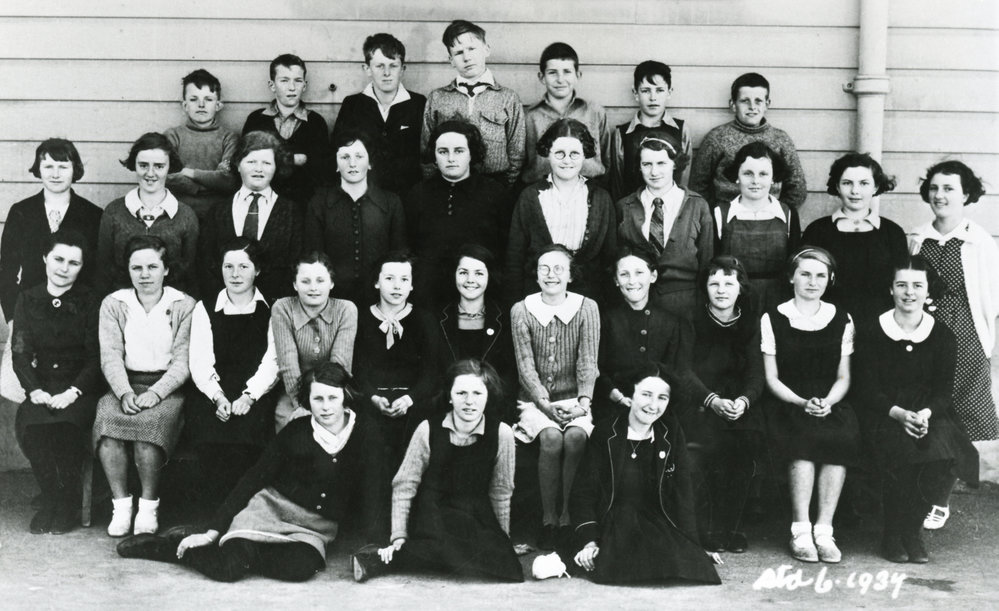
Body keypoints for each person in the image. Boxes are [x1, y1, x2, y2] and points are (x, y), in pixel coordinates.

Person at [117, 362, 384, 583]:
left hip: (312, 528)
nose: (325, 407)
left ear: (345, 396)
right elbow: (254, 478)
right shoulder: (296, 430)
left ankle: (235, 550)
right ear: (308, 400)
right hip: (270, 510)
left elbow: (375, 487)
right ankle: (168, 548)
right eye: (318, 398)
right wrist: (212, 530)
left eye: (332, 398)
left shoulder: (365, 433)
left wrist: (379, 543)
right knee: (228, 570)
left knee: (300, 568)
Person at [351, 359, 522, 583]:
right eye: (461, 393)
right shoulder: (428, 429)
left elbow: (501, 491)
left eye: (477, 393)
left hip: (475, 516)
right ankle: (385, 558)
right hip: (433, 514)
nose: (469, 401)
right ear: (449, 396)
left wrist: (503, 540)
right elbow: (404, 485)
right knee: (452, 543)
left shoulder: (502, 433)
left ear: (488, 396)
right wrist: (399, 537)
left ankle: (393, 559)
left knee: (509, 569)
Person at [854, 257, 978, 564]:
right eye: (902, 285)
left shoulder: (943, 335)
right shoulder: (872, 330)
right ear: (891, 289)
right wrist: (898, 414)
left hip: (929, 411)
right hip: (883, 410)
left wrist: (924, 414)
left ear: (927, 290)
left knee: (943, 451)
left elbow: (943, 392)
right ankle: (891, 534)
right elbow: (866, 388)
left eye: (917, 285)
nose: (909, 292)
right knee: (901, 450)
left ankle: (911, 531)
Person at [909, 160, 999, 528]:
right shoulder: (917, 238)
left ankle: (940, 498)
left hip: (966, 336)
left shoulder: (978, 241)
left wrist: (989, 347)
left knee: (959, 415)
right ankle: (920, 491)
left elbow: (992, 297)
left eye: (949, 188)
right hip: (925, 334)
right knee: (927, 409)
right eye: (934, 188)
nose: (940, 195)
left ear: (966, 195)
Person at [570, 372, 721, 585]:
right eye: (646, 394)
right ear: (630, 396)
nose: (653, 405)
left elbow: (683, 491)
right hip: (615, 517)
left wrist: (694, 545)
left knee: (689, 565)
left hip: (656, 517)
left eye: (662, 397)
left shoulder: (670, 431)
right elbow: (584, 490)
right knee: (620, 562)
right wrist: (589, 541)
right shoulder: (606, 431)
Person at [761, 247, 859, 563]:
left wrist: (828, 401)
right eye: (805, 274)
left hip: (829, 400)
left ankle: (824, 530)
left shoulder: (842, 318)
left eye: (820, 276)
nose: (812, 282)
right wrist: (802, 402)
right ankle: (800, 530)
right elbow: (772, 378)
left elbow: (844, 376)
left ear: (830, 280)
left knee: (840, 437)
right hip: (789, 400)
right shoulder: (773, 317)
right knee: (802, 437)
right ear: (792, 277)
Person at [94, 235, 196, 537]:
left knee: (148, 431)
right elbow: (110, 355)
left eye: (153, 267)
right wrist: (124, 391)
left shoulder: (183, 304)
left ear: (166, 269)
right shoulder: (114, 304)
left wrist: (157, 392)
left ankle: (149, 506)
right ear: (127, 269)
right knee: (108, 425)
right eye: (136, 267)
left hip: (167, 388)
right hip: (125, 384)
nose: (145, 274)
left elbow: (183, 360)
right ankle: (121, 506)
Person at [510, 245, 599, 550]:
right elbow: (525, 367)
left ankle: (568, 517)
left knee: (575, 438)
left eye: (559, 268)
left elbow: (588, 361)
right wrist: (544, 404)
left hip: (575, 400)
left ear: (571, 275)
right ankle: (548, 519)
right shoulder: (522, 309)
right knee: (550, 439)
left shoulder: (587, 307)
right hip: (535, 401)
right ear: (536, 275)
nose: (551, 275)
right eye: (544, 268)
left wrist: (583, 404)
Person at [12, 231, 101, 534]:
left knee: (66, 427)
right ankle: (50, 498)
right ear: (45, 259)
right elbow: (20, 352)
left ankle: (67, 504)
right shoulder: (28, 298)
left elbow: (95, 357)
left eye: (73, 263)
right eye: (58, 259)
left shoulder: (90, 300)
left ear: (82, 267)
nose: (64, 268)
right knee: (32, 426)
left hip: (80, 387)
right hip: (41, 385)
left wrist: (73, 392)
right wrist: (34, 389)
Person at [188, 239, 281, 508]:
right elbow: (200, 361)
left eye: (243, 266)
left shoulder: (272, 308)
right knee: (210, 435)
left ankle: (242, 512)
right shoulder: (205, 307)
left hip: (256, 391)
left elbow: (273, 360)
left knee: (249, 437)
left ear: (257, 270)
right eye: (228, 266)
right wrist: (218, 397)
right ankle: (213, 514)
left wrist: (249, 397)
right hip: (213, 391)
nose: (235, 274)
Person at [683, 256, 765, 553]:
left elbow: (757, 373)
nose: (721, 290)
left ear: (740, 288)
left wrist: (744, 401)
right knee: (708, 448)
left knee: (743, 447)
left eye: (729, 283)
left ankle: (733, 526)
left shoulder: (751, 323)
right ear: (704, 288)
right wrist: (712, 400)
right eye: (714, 283)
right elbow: (683, 370)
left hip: (738, 405)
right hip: (701, 402)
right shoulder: (691, 320)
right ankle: (709, 527)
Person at [505, 119, 616, 305]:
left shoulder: (601, 198)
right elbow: (515, 257)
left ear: (584, 155)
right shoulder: (530, 197)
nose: (567, 160)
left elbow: (610, 257)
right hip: (538, 298)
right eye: (559, 153)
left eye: (574, 154)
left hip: (588, 299)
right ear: (548, 154)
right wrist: (515, 305)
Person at [405, 120, 510, 306]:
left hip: (480, 294)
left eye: (459, 151)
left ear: (471, 154)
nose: (451, 158)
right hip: (428, 294)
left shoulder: (495, 193)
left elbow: (505, 250)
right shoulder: (418, 194)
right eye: (443, 151)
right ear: (434, 155)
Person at [353, 251, 440, 473]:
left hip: (413, 402)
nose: (397, 286)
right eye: (389, 278)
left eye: (404, 279)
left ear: (411, 285)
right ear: (376, 282)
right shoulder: (360, 319)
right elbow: (356, 368)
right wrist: (373, 397)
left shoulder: (424, 319)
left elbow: (431, 371)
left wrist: (409, 399)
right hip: (371, 402)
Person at [0, 138, 102, 321]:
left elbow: (99, 273)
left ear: (74, 170)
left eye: (63, 167)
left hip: (77, 317)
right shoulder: (21, 212)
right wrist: (14, 318)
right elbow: (6, 270)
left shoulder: (93, 215)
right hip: (30, 315)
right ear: (39, 169)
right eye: (48, 167)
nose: (55, 174)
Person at [801, 153, 908, 324]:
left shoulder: (893, 233)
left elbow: (902, 284)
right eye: (847, 183)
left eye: (864, 183)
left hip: (879, 325)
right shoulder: (817, 231)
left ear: (875, 187)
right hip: (828, 324)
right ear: (837, 186)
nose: (855, 191)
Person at [198, 130, 302, 302]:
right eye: (251, 161)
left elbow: (296, 265)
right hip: (225, 307)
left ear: (276, 167)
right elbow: (206, 263)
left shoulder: (292, 212)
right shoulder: (218, 211)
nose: (258, 169)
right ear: (238, 164)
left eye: (266, 163)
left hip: (276, 307)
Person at [304, 130, 406, 305]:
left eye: (359, 156)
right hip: (333, 300)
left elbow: (399, 255)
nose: (352, 163)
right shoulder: (319, 203)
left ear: (370, 163)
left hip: (379, 300)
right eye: (345, 157)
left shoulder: (391, 202)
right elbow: (314, 258)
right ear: (336, 164)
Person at [616, 136, 713, 318]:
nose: (654, 172)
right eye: (647, 164)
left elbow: (707, 261)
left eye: (661, 163)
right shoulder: (624, 207)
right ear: (639, 167)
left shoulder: (697, 205)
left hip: (685, 304)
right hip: (636, 302)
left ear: (674, 164)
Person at [421, 19, 525, 188]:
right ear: (451, 60)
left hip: (495, 185)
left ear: (486, 49)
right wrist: (437, 188)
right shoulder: (437, 98)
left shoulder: (508, 98)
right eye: (458, 53)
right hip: (448, 185)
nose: (467, 57)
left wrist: (505, 187)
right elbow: (426, 149)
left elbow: (517, 151)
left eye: (472, 49)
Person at [96, 132, 200, 296]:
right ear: (134, 165)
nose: (150, 173)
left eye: (159, 166)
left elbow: (191, 273)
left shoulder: (186, 216)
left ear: (169, 167)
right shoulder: (114, 212)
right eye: (143, 165)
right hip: (122, 305)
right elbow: (103, 269)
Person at [596, 248, 692, 421]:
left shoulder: (672, 323)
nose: (632, 281)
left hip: (659, 412)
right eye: (624, 274)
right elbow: (596, 369)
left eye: (639, 273)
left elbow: (678, 374)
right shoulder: (605, 320)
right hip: (614, 408)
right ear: (616, 280)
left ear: (653, 276)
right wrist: (616, 396)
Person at [690, 72, 807, 209]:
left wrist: (778, 212)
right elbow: (698, 185)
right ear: (733, 104)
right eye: (745, 101)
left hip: (770, 215)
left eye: (758, 101)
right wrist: (716, 214)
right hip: (727, 216)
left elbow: (797, 187)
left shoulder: (781, 139)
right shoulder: (717, 138)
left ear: (767, 104)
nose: (752, 106)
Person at [270, 252, 358, 431]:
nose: (313, 288)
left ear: (331, 283)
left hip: (334, 391)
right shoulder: (282, 308)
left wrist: (323, 404)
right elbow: (288, 363)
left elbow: (340, 364)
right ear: (295, 284)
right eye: (305, 281)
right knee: (287, 419)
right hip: (295, 391)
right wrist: (302, 405)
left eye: (320, 281)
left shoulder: (346, 309)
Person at [332, 33, 426, 197]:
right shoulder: (352, 105)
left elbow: (425, 155)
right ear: (367, 69)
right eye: (379, 66)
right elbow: (338, 151)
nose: (386, 73)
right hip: (364, 197)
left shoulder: (418, 104)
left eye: (393, 66)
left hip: (408, 196)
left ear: (402, 69)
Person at [714, 142, 801, 314]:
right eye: (748, 173)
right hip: (732, 301)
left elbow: (795, 266)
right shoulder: (719, 213)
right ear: (737, 176)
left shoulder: (787, 213)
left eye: (763, 174)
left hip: (778, 300)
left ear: (773, 178)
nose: (755, 181)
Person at [436, 244, 516, 420]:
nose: (470, 280)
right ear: (454, 275)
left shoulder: (505, 319)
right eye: (463, 272)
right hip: (445, 408)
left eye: (479, 273)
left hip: (493, 409)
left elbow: (508, 375)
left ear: (489, 276)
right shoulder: (437, 318)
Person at [242, 53, 330, 206]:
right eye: (284, 80)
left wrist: (271, 160)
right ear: (272, 85)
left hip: (304, 204)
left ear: (305, 85)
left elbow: (319, 170)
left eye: (298, 81)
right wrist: (294, 159)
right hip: (263, 203)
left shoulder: (316, 123)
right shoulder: (256, 120)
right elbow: (246, 164)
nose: (292, 87)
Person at [521, 42, 610, 187]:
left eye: (567, 72)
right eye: (552, 72)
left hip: (590, 189)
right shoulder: (529, 117)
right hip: (541, 190)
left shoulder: (594, 112)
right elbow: (521, 161)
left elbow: (607, 158)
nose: (560, 79)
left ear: (578, 75)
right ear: (542, 77)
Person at [164, 68, 239, 221]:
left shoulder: (229, 138)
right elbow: (166, 176)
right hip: (179, 214)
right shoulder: (173, 136)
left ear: (218, 105)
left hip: (218, 215)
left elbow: (228, 180)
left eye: (208, 99)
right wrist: (203, 186)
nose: (201, 105)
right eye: (193, 99)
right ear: (185, 105)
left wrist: (190, 173)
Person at [608, 60, 691, 199]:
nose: (653, 98)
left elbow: (685, 178)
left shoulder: (681, 130)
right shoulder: (622, 134)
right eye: (646, 91)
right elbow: (618, 184)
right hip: (633, 208)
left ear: (669, 92)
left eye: (659, 90)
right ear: (635, 93)